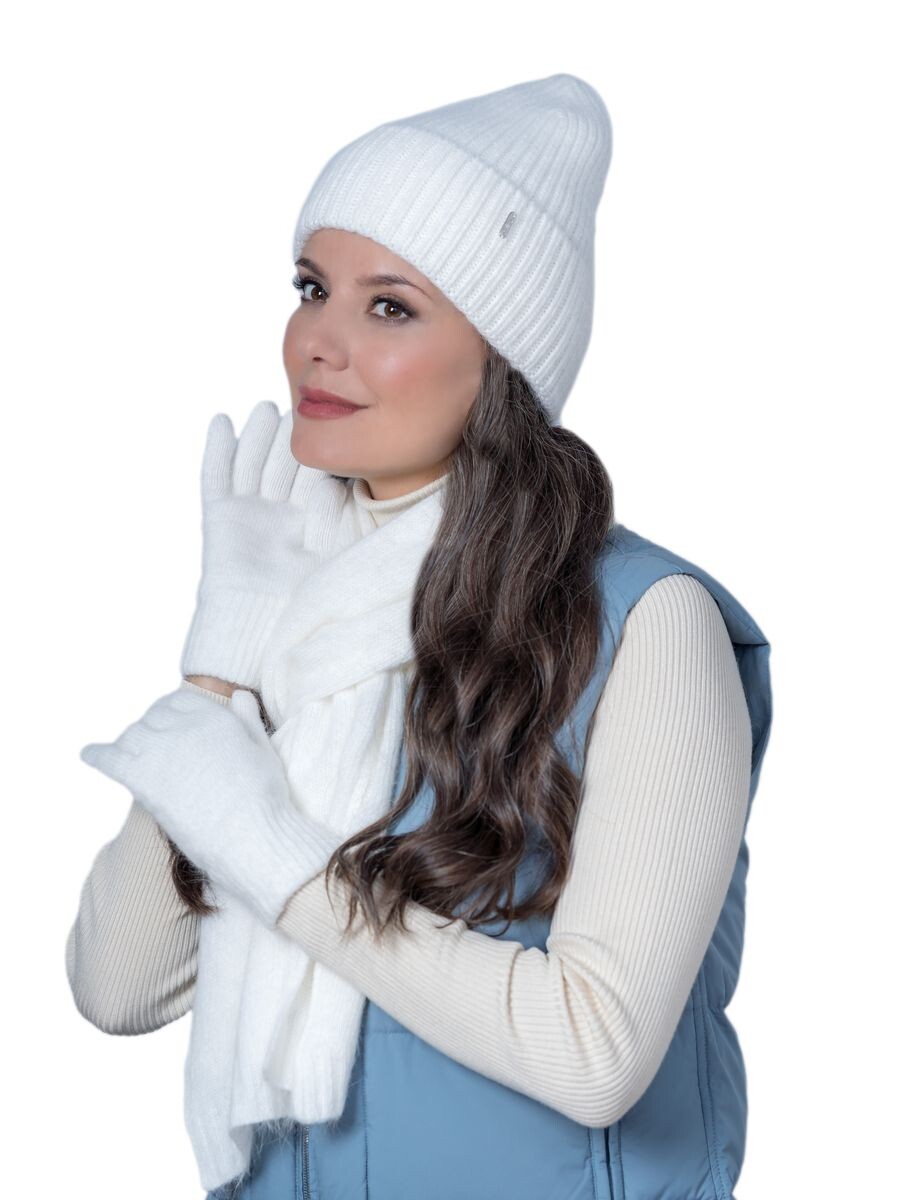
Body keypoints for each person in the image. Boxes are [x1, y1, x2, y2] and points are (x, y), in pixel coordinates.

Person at [66, 74, 773, 1200]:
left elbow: (596, 1053)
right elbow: (118, 986)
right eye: (312, 288)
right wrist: (222, 673)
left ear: (502, 356)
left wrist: (284, 864)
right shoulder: (295, 617)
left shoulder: (643, 623)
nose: (319, 342)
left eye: (389, 307)